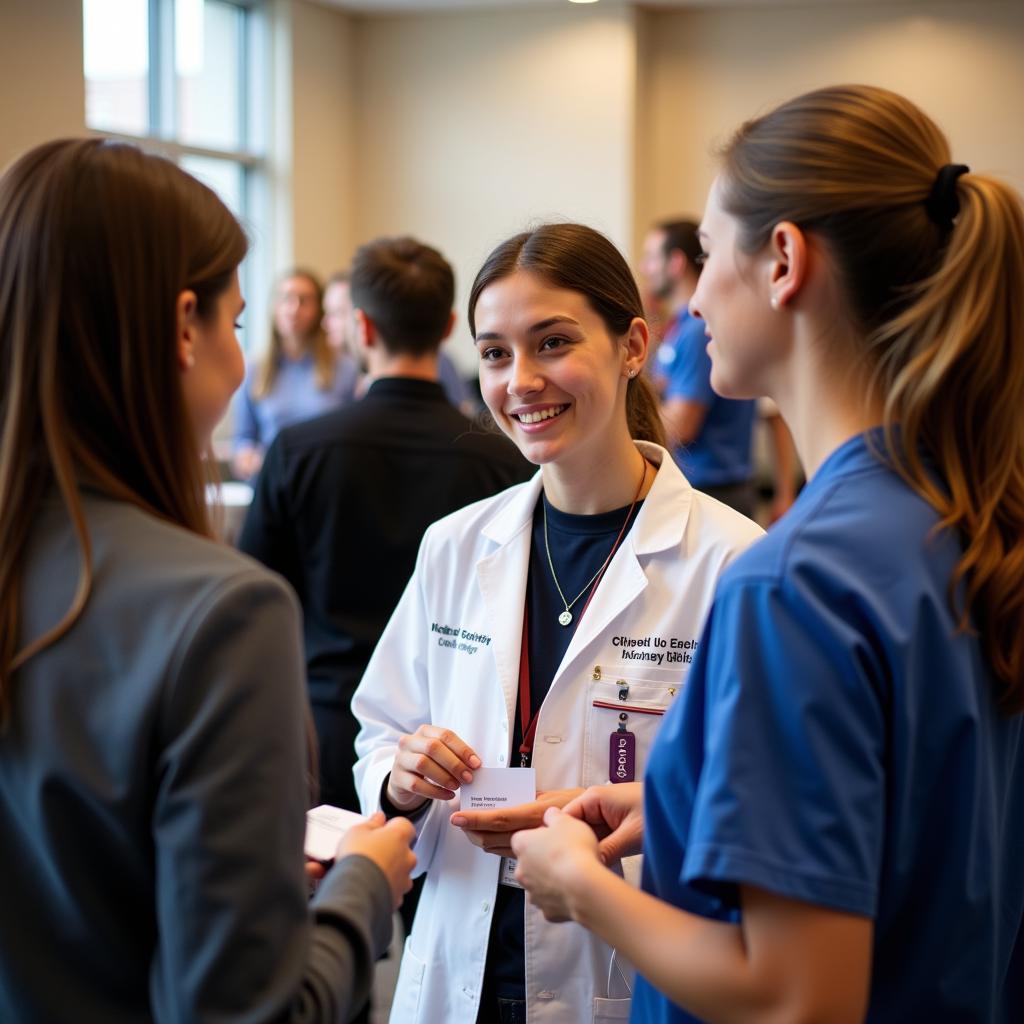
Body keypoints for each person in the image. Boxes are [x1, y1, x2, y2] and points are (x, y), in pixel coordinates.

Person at [510, 85, 1024, 1024]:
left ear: (783, 260)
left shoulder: (795, 582)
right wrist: (681, 807)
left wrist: (583, 891)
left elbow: (793, 996)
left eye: (707, 256)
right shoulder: (968, 516)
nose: (695, 296)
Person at [0, 138, 417, 1024]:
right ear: (184, 326)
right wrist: (362, 889)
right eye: (235, 324)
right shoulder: (222, 613)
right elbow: (245, 1013)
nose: (240, 361)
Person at [351, 223, 763, 1024]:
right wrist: (401, 777)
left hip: (616, 971)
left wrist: (597, 812)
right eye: (496, 353)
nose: (522, 381)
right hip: (454, 966)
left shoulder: (731, 563)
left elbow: (755, 801)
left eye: (553, 343)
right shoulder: (457, 544)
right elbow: (380, 730)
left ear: (633, 345)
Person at [239, 235, 532, 816]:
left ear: (361, 329)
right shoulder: (503, 460)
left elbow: (259, 598)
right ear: (451, 325)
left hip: (325, 722)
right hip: (457, 744)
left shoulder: (298, 451)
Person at [232, 268, 359, 479]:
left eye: (304, 300)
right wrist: (246, 457)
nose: (294, 309)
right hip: (272, 481)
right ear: (274, 307)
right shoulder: (254, 370)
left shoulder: (346, 368)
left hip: (324, 482)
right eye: (286, 299)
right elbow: (244, 439)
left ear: (319, 310)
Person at [323, 265, 478, 416]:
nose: (325, 323)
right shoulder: (342, 368)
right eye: (327, 312)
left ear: (361, 317)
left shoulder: (432, 360)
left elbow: (463, 415)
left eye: (337, 313)